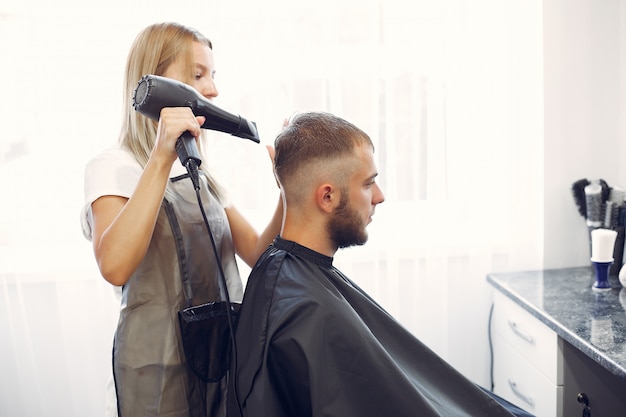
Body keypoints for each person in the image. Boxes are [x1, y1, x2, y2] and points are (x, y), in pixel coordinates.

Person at [227, 111, 534, 417]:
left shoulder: (280, 274)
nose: (380, 196)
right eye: (368, 184)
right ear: (328, 197)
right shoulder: (309, 311)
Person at [80, 22, 282, 417]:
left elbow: (259, 253)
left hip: (216, 367)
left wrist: (286, 192)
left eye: (213, 75)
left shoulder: (202, 175)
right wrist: (160, 157)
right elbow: (115, 266)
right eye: (197, 75)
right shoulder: (112, 168)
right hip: (154, 380)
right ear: (155, 83)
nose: (213, 91)